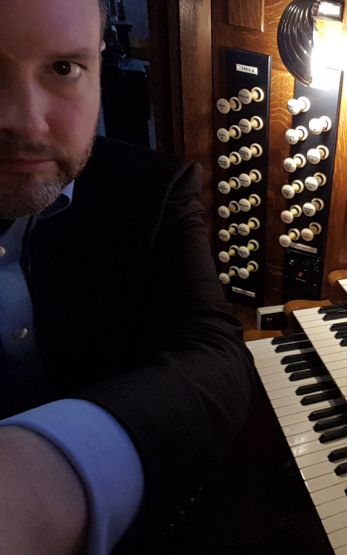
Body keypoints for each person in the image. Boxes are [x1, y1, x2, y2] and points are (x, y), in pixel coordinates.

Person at [0, 0, 254, 553]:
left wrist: (41, 479)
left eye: (64, 68)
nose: (24, 119)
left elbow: (216, 355)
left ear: (97, 66)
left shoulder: (157, 188)